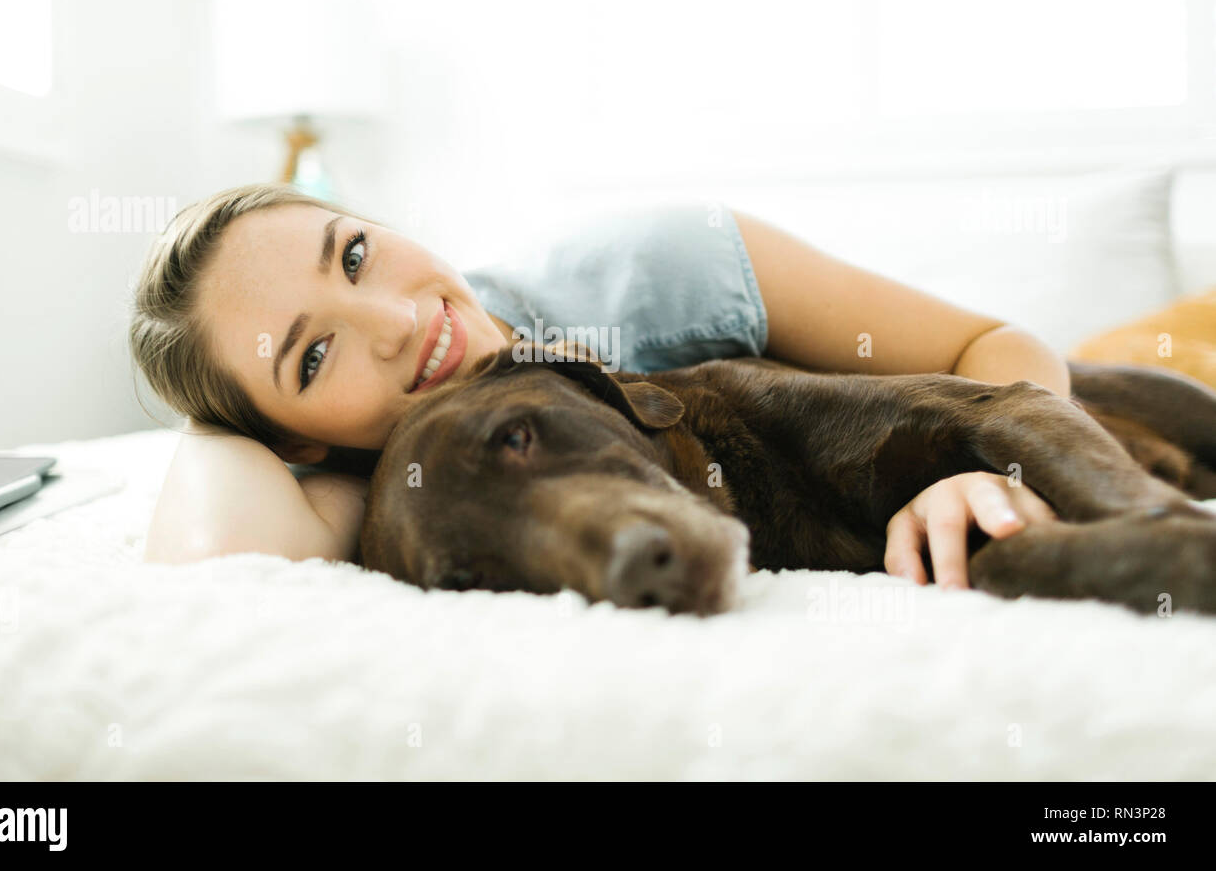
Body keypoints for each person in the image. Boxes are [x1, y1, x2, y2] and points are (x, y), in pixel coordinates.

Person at [129, 184, 1065, 589]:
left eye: (357, 253)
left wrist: (998, 474)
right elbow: (221, 559)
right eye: (313, 357)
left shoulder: (658, 267)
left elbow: (992, 342)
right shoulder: (367, 478)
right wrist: (212, 421)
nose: (401, 324)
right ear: (290, 440)